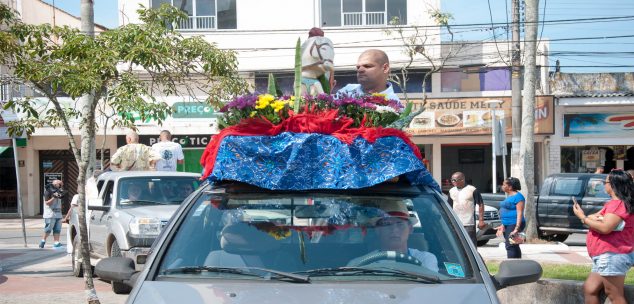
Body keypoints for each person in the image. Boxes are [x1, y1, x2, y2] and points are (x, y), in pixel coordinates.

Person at [572, 169, 634, 304]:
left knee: (614, 295)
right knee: (590, 288)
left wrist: (582, 217)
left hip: (612, 255)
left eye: (605, 182)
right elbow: (593, 217)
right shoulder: (614, 204)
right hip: (605, 255)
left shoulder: (617, 205)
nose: (603, 185)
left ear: (612, 185)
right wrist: (595, 218)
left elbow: (605, 228)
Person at [352, 201, 438, 271]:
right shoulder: (360, 264)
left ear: (410, 229)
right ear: (378, 230)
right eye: (387, 224)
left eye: (400, 224)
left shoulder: (425, 259)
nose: (394, 230)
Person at [447, 172, 485, 245]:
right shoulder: (451, 191)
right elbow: (449, 206)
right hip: (456, 222)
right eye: (452, 180)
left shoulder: (472, 189)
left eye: (455, 180)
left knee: (470, 243)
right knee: (458, 243)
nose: (453, 182)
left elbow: (480, 204)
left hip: (468, 223)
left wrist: (481, 220)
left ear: (462, 180)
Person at [496, 177, 526, 258]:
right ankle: (517, 265)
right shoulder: (509, 197)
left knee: (510, 245)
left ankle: (512, 264)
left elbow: (520, 213)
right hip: (507, 224)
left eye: (504, 184)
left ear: (510, 187)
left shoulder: (519, 197)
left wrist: (516, 229)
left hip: (514, 223)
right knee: (513, 245)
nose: (502, 186)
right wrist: (502, 225)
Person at [40, 180, 65, 248]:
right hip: (50, 214)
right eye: (60, 184)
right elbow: (47, 203)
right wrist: (54, 197)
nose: (61, 186)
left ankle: (56, 242)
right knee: (48, 228)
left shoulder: (59, 192)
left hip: (58, 213)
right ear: (55, 184)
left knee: (57, 229)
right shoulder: (48, 192)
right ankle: (43, 240)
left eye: (62, 185)